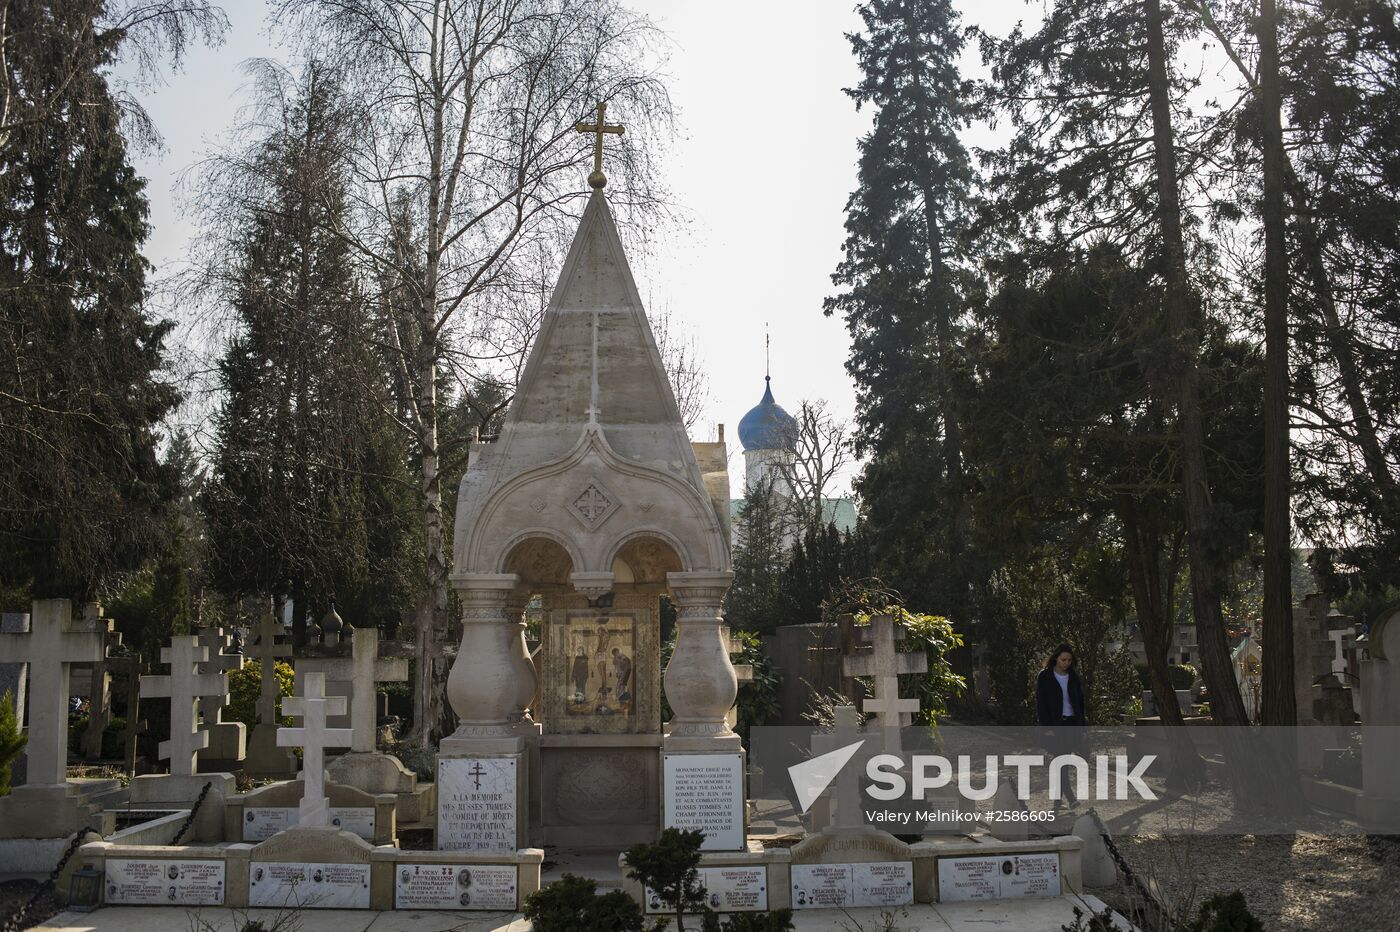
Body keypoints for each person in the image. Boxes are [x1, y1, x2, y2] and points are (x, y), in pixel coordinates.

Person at [1035, 643, 1088, 805]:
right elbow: (1041, 703)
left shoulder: (1073, 677)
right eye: (1063, 659)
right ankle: (1070, 797)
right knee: (1062, 759)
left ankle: (1057, 798)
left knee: (1063, 759)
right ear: (1056, 658)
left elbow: (1080, 702)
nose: (1066, 663)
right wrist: (1047, 727)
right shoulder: (1045, 677)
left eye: (1069, 660)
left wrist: (1083, 727)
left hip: (1072, 723)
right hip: (1055, 725)